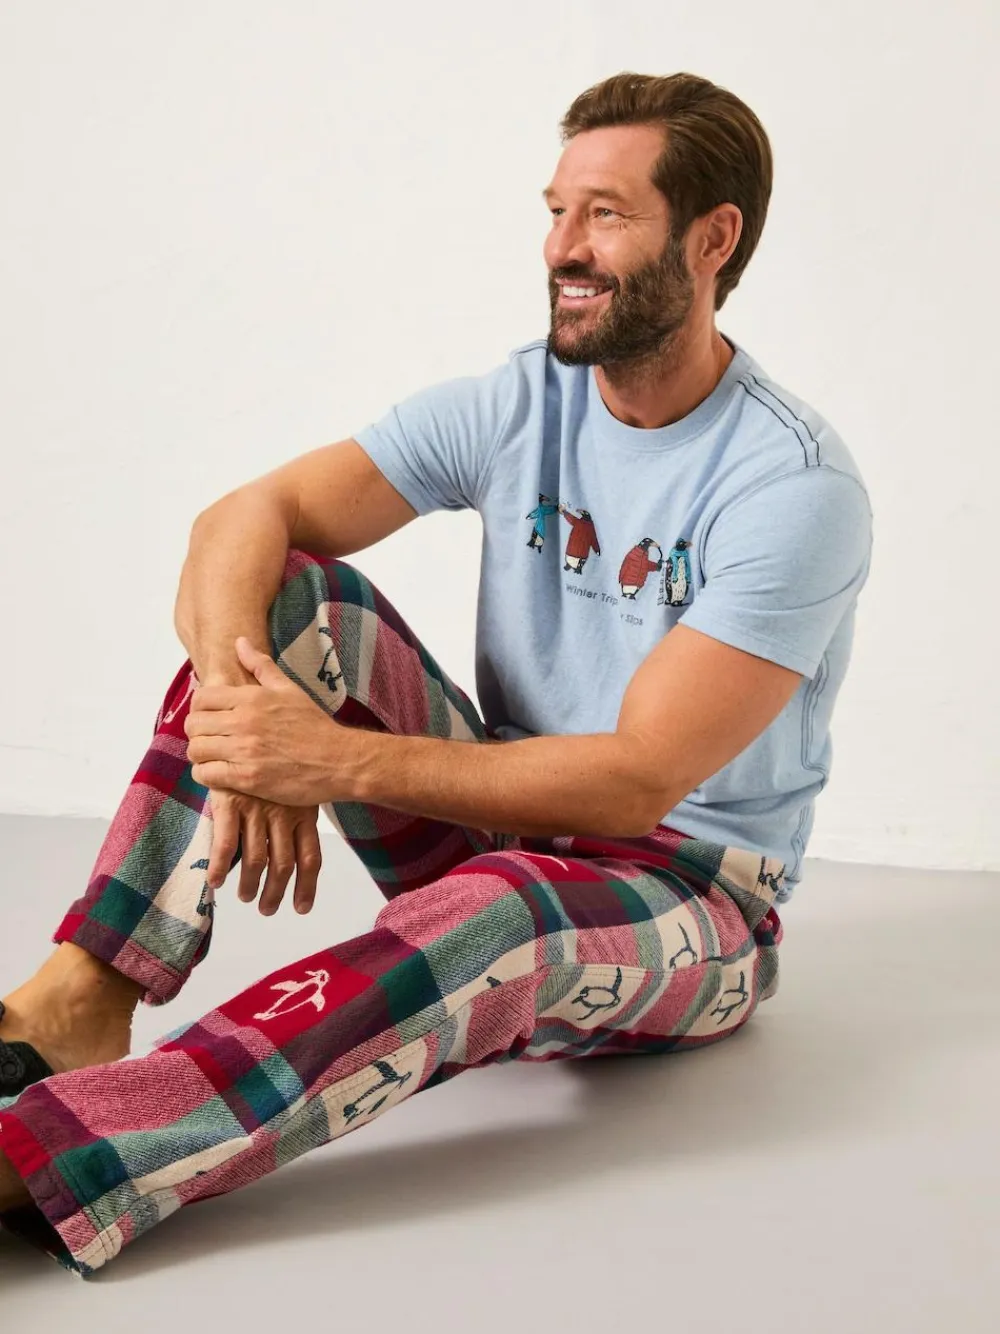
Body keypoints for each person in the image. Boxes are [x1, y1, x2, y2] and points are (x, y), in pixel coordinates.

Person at [0, 70, 872, 1277]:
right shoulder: (523, 400)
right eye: (555, 211)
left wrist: (330, 760)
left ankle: (49, 1152)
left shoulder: (791, 486)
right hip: (495, 817)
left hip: (690, 903)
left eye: (606, 214)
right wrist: (252, 724)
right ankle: (84, 991)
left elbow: (634, 782)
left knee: (498, 907)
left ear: (711, 239)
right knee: (294, 597)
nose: (563, 247)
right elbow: (242, 516)